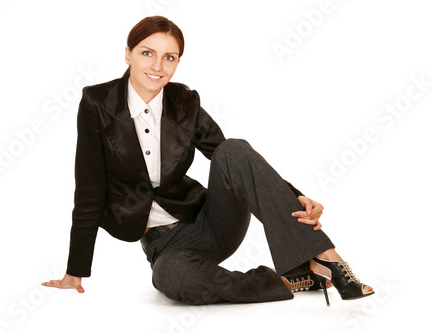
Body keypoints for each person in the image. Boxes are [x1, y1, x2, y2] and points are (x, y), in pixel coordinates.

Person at [42, 16, 374, 306]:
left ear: (177, 63)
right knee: (173, 279)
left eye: (169, 58)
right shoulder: (97, 103)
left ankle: (326, 257)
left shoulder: (184, 102)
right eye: (147, 53)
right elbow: (89, 189)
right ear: (128, 53)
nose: (157, 67)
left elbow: (233, 158)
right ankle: (290, 280)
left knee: (232, 148)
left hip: (210, 220)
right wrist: (75, 271)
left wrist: (295, 196)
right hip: (164, 246)